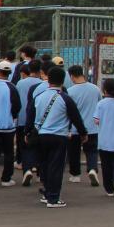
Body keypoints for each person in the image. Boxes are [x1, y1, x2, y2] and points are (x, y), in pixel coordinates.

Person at [27, 66, 88, 208]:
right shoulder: (65, 98)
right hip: (59, 136)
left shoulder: (39, 97)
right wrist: (83, 133)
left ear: (48, 79)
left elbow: (30, 115)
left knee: (44, 165)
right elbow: (76, 118)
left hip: (41, 135)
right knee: (56, 167)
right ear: (63, 81)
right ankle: (53, 198)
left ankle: (47, 192)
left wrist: (27, 132)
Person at [65, 65, 102, 186]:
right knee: (91, 151)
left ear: (71, 76)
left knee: (74, 152)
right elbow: (99, 105)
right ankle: (92, 169)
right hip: (92, 127)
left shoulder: (70, 91)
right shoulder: (95, 89)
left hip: (75, 128)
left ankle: (75, 175)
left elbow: (68, 112)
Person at [15, 59, 45, 185]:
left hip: (22, 119)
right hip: (38, 120)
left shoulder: (20, 83)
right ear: (40, 71)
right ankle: (38, 172)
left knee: (25, 146)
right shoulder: (42, 84)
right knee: (39, 147)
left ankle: (26, 168)